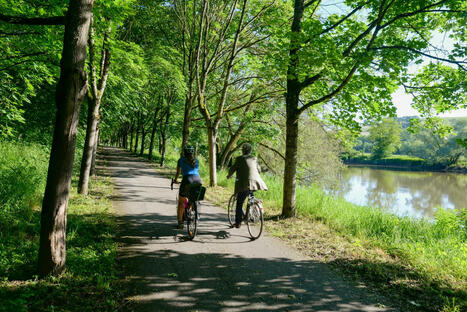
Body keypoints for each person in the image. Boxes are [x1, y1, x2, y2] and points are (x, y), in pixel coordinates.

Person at [227, 143, 267, 228]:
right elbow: (259, 170)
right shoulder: (254, 158)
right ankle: (251, 212)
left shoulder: (239, 159)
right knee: (250, 194)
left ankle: (238, 223)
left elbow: (233, 169)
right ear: (250, 151)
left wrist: (229, 175)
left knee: (239, 202)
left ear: (243, 150)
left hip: (245, 183)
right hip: (256, 181)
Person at [173, 146, 202, 229]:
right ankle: (192, 207)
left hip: (187, 180)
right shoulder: (196, 160)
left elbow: (178, 172)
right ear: (192, 153)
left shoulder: (181, 160)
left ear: (184, 152)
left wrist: (175, 180)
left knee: (181, 202)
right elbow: (194, 171)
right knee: (192, 196)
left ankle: (180, 223)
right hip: (198, 180)